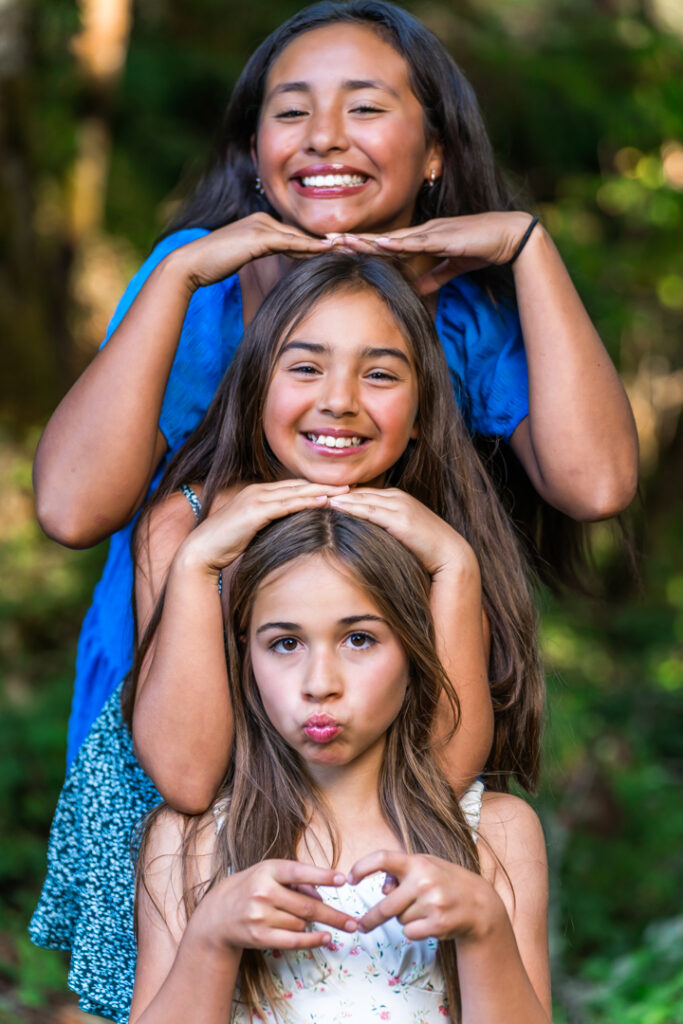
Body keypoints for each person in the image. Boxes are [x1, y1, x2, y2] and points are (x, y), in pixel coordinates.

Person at [31, 0, 637, 766]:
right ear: (254, 151)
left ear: (433, 153)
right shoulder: (200, 287)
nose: (323, 135)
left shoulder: (461, 314)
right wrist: (183, 272)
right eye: (291, 112)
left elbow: (598, 485)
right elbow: (69, 508)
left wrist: (527, 247)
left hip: (376, 744)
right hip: (173, 730)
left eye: (364, 107)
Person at [30, 252, 544, 1022]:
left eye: (379, 374)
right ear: (255, 384)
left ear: (421, 407)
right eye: (305, 368)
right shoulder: (189, 523)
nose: (338, 403)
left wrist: (454, 566)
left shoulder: (432, 525)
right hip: (205, 831)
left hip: (361, 823)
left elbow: (438, 778)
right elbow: (189, 780)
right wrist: (202, 561)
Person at [129, 506, 552, 1024]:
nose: (319, 682)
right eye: (285, 643)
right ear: (246, 658)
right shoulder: (192, 842)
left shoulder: (496, 833)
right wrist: (210, 938)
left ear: (416, 651)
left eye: (359, 639)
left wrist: (486, 927)